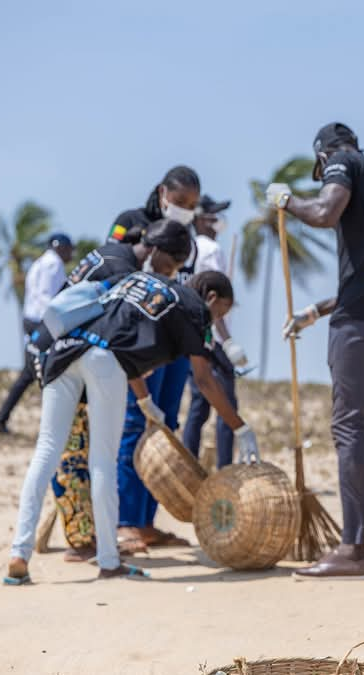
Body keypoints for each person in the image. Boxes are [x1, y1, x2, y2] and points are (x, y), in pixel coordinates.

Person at [4, 229, 260, 584]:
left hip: (63, 352)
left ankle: (19, 553)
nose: (217, 320)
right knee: (103, 462)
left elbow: (122, 339)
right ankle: (109, 562)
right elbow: (203, 380)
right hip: (103, 361)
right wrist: (240, 428)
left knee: (45, 452)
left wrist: (144, 400)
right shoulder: (194, 310)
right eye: (222, 311)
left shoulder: (140, 281)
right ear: (211, 296)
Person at [269, 122, 364, 579]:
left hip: (361, 321)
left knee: (350, 429)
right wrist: (316, 311)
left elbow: (326, 212)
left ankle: (351, 547)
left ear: (324, 153)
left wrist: (286, 201)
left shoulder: (344, 162)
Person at [45, 225, 193, 562]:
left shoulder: (114, 261)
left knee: (63, 454)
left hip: (69, 357)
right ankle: (86, 543)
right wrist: (143, 397)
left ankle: (30, 550)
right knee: (77, 456)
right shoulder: (122, 271)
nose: (170, 273)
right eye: (171, 264)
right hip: (72, 362)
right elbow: (119, 342)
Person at [107, 166, 214, 551]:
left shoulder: (190, 239)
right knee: (137, 423)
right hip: (140, 346)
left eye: (192, 204)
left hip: (176, 346)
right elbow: (114, 275)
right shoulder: (130, 224)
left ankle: (148, 522)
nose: (185, 209)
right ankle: (124, 521)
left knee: (166, 429)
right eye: (180, 201)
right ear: (162, 193)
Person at [182, 194, 249, 469]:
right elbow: (212, 298)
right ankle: (225, 468)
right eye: (212, 216)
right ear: (200, 219)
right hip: (212, 338)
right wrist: (228, 340)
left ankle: (188, 465)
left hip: (190, 335)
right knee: (225, 403)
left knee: (198, 405)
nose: (217, 222)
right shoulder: (210, 250)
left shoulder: (188, 249)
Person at [0, 233, 73, 433]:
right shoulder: (54, 264)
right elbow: (47, 297)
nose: (71, 254)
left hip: (31, 320)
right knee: (55, 372)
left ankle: (1, 419)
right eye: (70, 249)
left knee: (29, 374)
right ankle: (57, 425)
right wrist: (57, 325)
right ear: (61, 247)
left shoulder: (39, 263)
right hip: (43, 323)